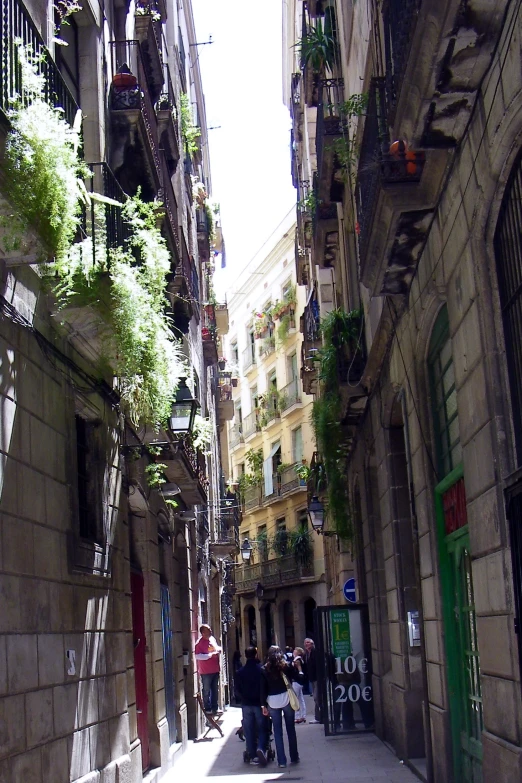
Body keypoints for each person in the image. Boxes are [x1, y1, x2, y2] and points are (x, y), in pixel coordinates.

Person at [261, 645, 302, 768]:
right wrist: (299, 668)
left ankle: (282, 761)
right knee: (290, 729)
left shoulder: (264, 669)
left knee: (277, 732)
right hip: (287, 699)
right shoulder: (286, 666)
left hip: (272, 701)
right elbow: (300, 678)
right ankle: (294, 757)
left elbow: (263, 689)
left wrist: (263, 705)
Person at [235, 646, 267, 766]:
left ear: (245, 655)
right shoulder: (261, 670)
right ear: (256, 655)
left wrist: (243, 697)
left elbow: (237, 690)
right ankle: (261, 748)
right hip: (259, 704)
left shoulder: (240, 672)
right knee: (262, 728)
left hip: (246, 704)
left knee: (248, 730)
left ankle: (253, 755)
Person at [195, 624, 221, 715]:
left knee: (215, 689)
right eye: (208, 630)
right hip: (206, 671)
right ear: (203, 633)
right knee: (206, 690)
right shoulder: (199, 643)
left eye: (210, 629)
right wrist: (210, 655)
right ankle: (208, 707)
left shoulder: (212, 639)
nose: (211, 631)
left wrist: (218, 650)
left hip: (215, 669)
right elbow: (197, 656)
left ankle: (215, 708)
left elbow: (216, 647)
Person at [304, 637, 322, 723]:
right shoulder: (307, 654)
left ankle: (320, 716)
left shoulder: (315, 653)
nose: (306, 644)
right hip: (312, 679)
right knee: (316, 698)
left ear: (312, 644)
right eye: (305, 643)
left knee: (317, 697)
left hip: (317, 678)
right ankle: (318, 716)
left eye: (308, 642)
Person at [292, 647, 307, 723]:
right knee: (301, 699)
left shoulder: (297, 660)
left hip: (296, 681)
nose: (293, 651)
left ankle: (297, 716)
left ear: (298, 652)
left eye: (295, 650)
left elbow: (299, 669)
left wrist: (300, 674)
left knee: (296, 699)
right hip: (300, 681)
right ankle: (303, 715)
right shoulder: (300, 659)